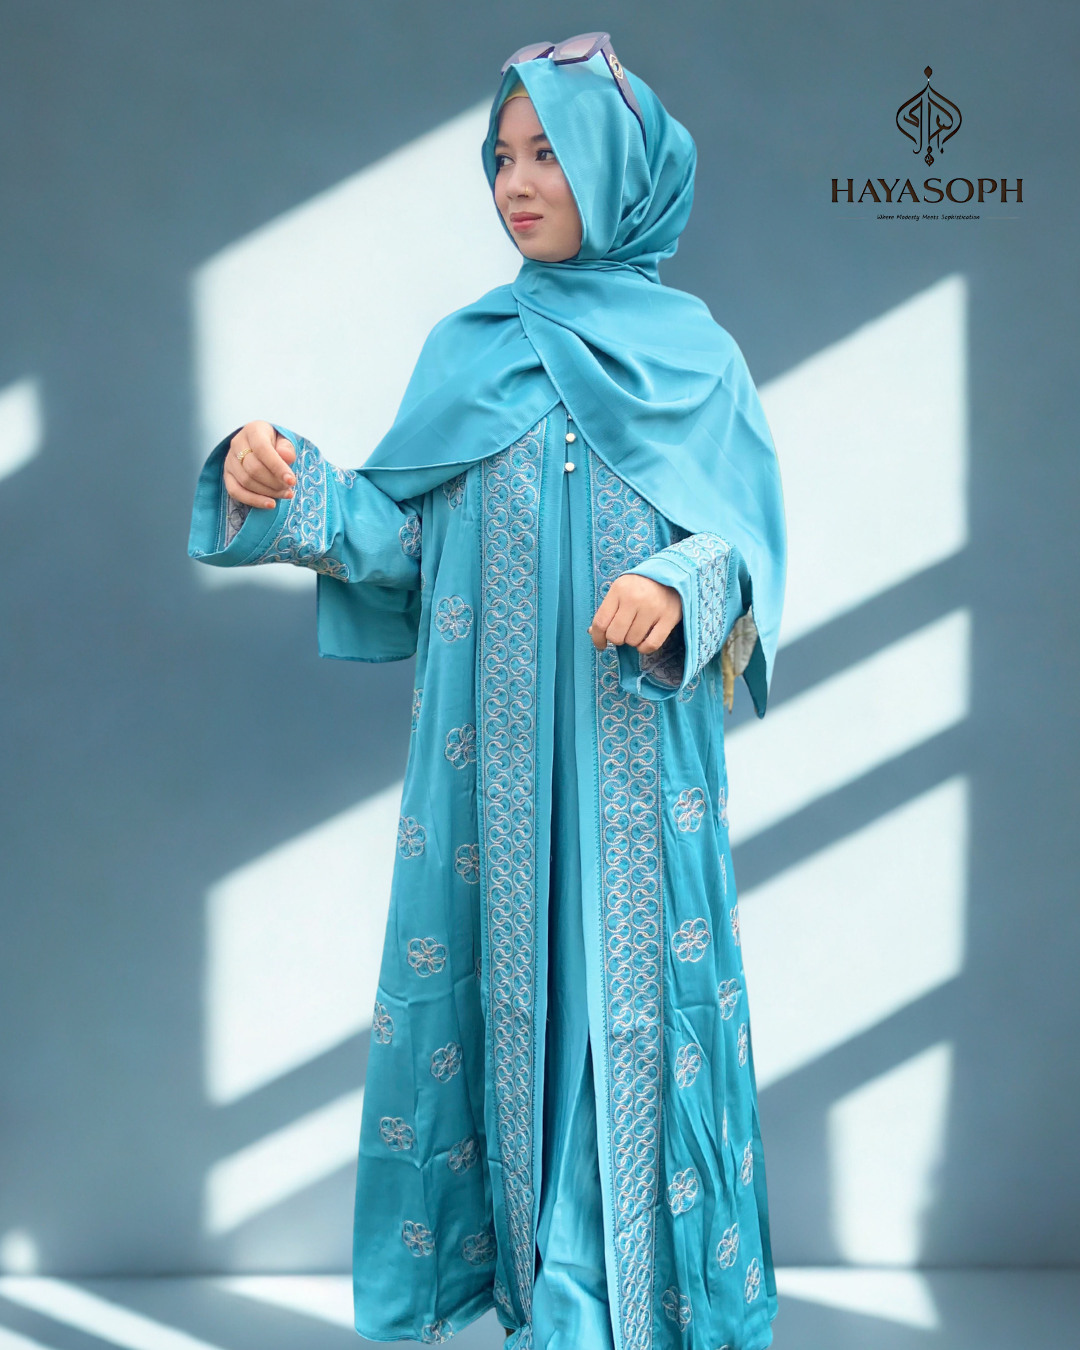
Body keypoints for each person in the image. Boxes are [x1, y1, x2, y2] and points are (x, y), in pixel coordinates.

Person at [189, 32, 785, 1350]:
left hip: (638, 775)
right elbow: (402, 546)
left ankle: (628, 1303)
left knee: (639, 1012)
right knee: (507, 1007)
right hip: (494, 778)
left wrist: (682, 583)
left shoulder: (701, 365)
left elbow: (751, 552)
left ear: (621, 170)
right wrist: (287, 488)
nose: (516, 183)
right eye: (502, 157)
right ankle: (542, 1298)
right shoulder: (470, 354)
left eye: (549, 154)